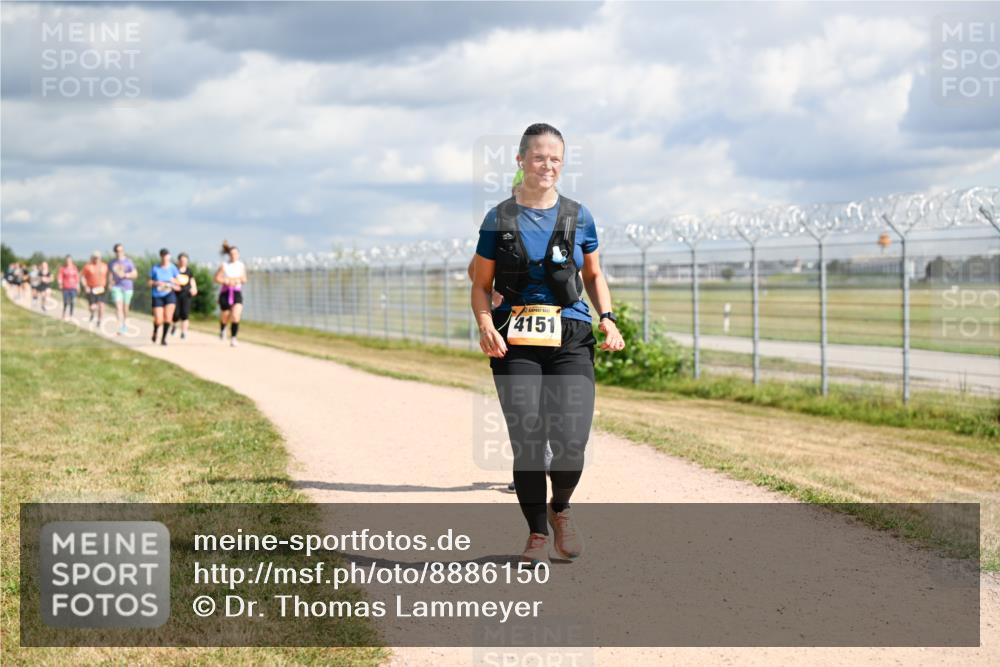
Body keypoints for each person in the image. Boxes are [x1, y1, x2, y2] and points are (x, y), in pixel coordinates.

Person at [470, 123, 625, 566]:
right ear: (521, 161)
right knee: (529, 437)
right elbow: (480, 284)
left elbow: (593, 275)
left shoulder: (580, 215)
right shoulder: (498, 218)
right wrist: (485, 325)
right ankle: (537, 532)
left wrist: (607, 319)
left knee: (572, 438)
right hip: (513, 337)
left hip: (571, 334)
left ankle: (562, 510)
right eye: (539, 157)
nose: (548, 165)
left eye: (555, 158)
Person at [214, 240, 246, 347]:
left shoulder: (241, 265)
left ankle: (233, 338)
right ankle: (223, 328)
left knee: (236, 316)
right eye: (232, 254)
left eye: (236, 254)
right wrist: (225, 281)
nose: (234, 256)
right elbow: (216, 278)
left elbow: (244, 279)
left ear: (238, 254)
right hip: (226, 292)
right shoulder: (224, 265)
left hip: (236, 292)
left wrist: (237, 280)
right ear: (229, 255)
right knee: (225, 315)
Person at [148, 248, 180, 346]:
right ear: (161, 257)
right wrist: (156, 283)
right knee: (158, 319)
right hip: (157, 295)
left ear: (169, 256)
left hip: (169, 294)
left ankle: (163, 339)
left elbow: (179, 282)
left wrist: (173, 284)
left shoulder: (173, 268)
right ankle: (155, 330)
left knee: (168, 318)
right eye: (163, 256)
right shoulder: (155, 268)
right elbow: (149, 282)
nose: (165, 258)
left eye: (167, 255)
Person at [108, 242, 138, 335]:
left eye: (121, 250)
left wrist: (126, 275)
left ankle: (125, 324)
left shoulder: (129, 262)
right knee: (118, 307)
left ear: (123, 251)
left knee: (125, 308)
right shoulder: (112, 263)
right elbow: (110, 274)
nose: (119, 252)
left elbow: (135, 274)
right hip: (116, 287)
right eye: (117, 251)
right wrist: (109, 283)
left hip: (127, 286)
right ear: (115, 252)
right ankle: (120, 326)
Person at [170, 252, 198, 339]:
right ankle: (174, 326)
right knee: (176, 314)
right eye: (182, 260)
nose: (183, 262)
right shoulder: (174, 270)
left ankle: (183, 332)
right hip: (175, 294)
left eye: (185, 260)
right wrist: (174, 286)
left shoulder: (189, 271)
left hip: (186, 295)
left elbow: (192, 281)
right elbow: (170, 279)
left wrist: (194, 289)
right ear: (179, 261)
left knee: (185, 314)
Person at [81, 251, 109, 326]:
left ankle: (99, 321)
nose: (97, 259)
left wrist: (111, 284)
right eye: (95, 258)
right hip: (92, 288)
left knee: (101, 305)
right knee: (92, 307)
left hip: (102, 288)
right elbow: (83, 277)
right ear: (92, 258)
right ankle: (92, 314)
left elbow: (109, 275)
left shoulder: (105, 266)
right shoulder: (88, 266)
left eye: (98, 258)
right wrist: (85, 286)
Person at [57, 255, 80, 320]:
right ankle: (64, 313)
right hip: (65, 287)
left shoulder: (74, 268)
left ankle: (71, 314)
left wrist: (78, 285)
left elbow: (77, 277)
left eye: (69, 260)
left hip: (73, 287)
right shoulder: (63, 268)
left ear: (71, 260)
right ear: (66, 261)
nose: (68, 262)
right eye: (67, 260)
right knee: (66, 301)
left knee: (73, 301)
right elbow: (60, 276)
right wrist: (60, 283)